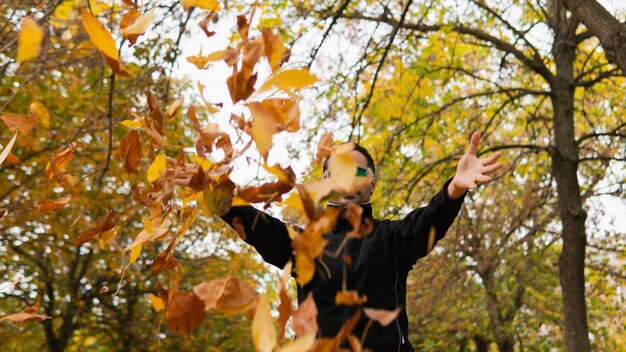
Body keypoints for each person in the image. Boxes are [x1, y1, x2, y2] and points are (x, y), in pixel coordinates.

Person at [220, 132, 502, 351]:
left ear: (372, 184)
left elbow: (426, 223)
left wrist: (453, 190)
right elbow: (258, 227)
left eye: (356, 172)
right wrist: (214, 191)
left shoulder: (392, 238)